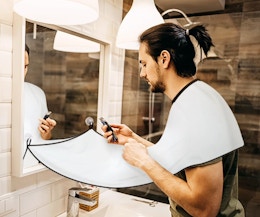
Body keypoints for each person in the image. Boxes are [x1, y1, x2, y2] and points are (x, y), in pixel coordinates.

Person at [102, 23, 244, 217]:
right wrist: (132, 139)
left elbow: (205, 209)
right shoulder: (193, 98)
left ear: (164, 59)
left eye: (144, 63)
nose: (142, 73)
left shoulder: (197, 110)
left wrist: (144, 161)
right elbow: (178, 161)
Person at [24, 44, 56, 141]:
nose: (22, 72)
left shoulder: (38, 93)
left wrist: (46, 133)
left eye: (25, 66)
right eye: (18, 66)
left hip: (32, 155)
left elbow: (46, 138)